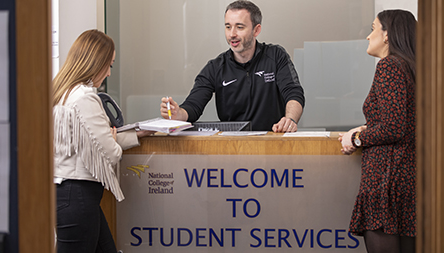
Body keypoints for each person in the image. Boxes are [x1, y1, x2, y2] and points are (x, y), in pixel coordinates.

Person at [52, 29, 152, 252]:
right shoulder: (86, 97)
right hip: (78, 197)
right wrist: (113, 140)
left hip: (66, 195)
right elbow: (110, 153)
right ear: (95, 63)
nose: (108, 73)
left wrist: (136, 135)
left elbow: (91, 144)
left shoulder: (62, 93)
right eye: (109, 65)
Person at [160, 0, 305, 132]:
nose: (232, 34)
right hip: (233, 147)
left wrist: (290, 120)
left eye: (239, 27)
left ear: (256, 30)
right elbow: (193, 105)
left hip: (272, 142)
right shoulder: (215, 68)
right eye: (228, 27)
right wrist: (179, 114)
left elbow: (293, 93)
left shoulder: (275, 56)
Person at [339, 10, 416, 253]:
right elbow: (407, 120)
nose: (368, 36)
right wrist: (365, 127)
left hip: (387, 181)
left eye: (373, 28)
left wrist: (357, 138)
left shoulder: (389, 66)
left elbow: (394, 127)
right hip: (407, 178)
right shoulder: (413, 67)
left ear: (386, 35)